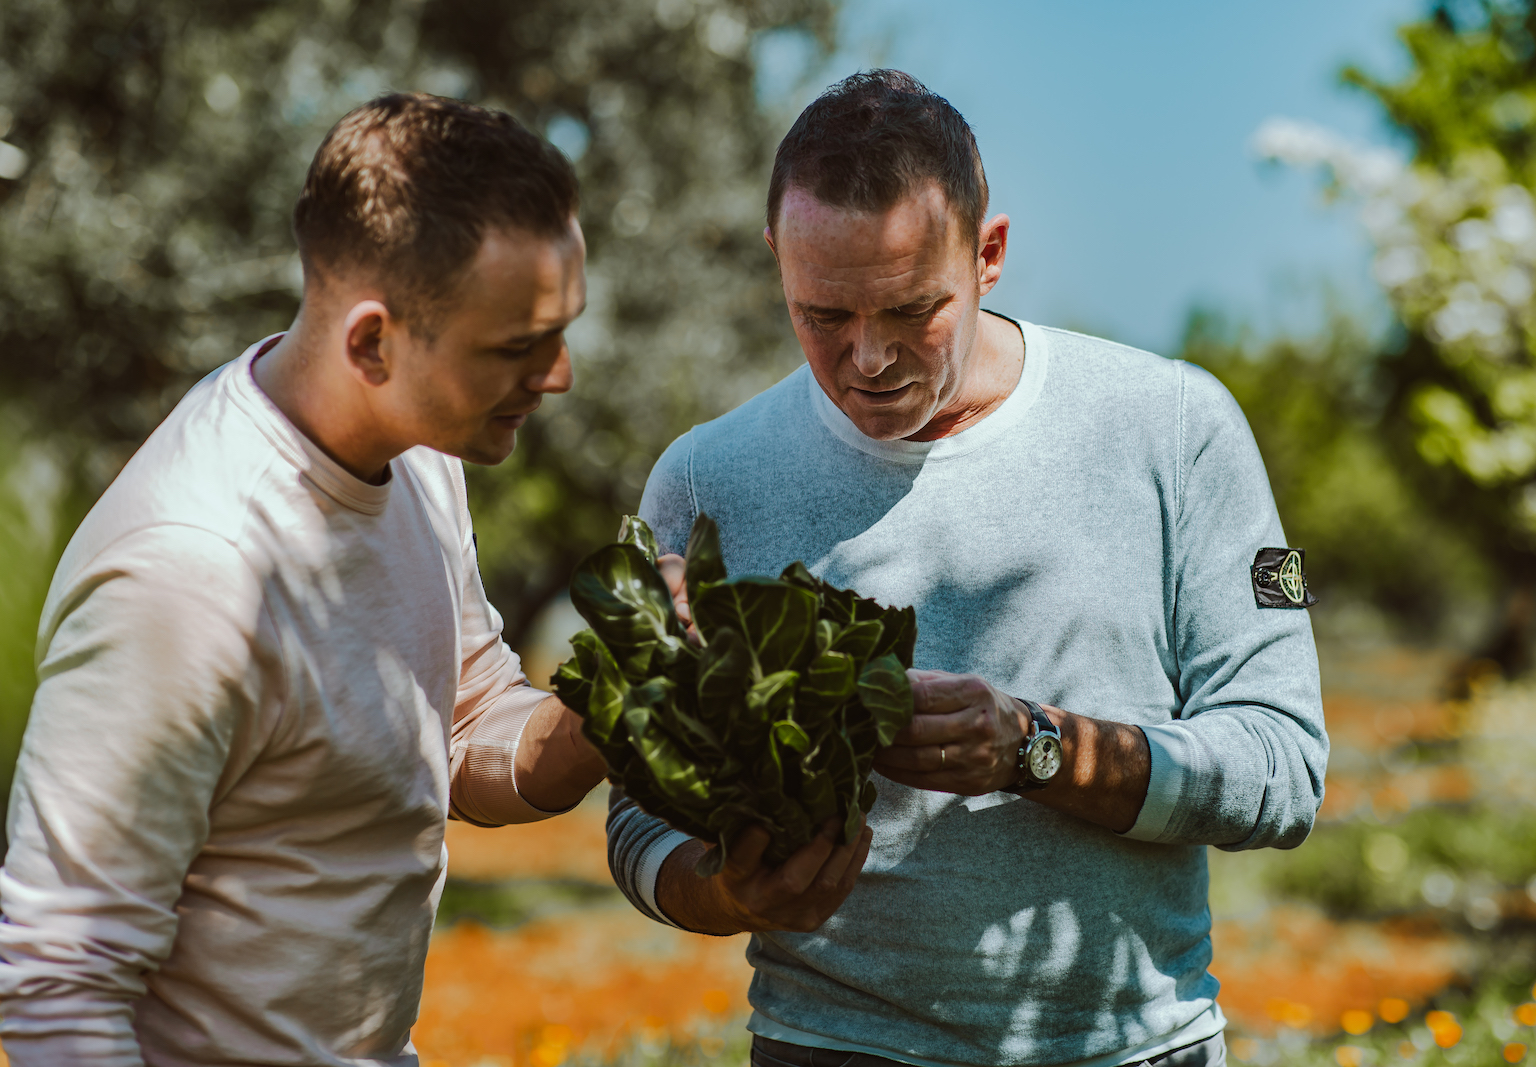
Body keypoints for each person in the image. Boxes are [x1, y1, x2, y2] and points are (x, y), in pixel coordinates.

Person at [608, 70, 1327, 1067]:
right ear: (777, 257)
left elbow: (1284, 768)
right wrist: (720, 891)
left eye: (911, 310)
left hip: (1130, 1048)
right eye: (822, 315)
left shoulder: (1174, 426)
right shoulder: (706, 479)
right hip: (827, 1045)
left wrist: (1036, 747)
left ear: (988, 254)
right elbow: (637, 816)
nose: (867, 357)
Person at [0, 93, 607, 1066]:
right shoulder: (189, 575)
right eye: (518, 346)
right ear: (372, 341)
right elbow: (56, 988)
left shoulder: (419, 453)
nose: (561, 373)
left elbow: (462, 724)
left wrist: (618, 700)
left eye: (560, 330)